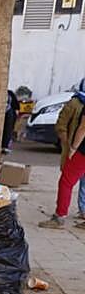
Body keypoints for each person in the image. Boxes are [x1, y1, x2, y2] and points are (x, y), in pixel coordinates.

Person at [39, 82, 85, 229]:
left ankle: (59, 217)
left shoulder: (76, 101)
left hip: (82, 152)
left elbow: (83, 128)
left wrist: (73, 148)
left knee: (66, 182)